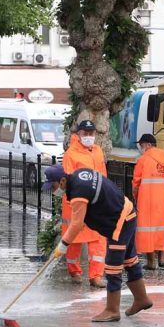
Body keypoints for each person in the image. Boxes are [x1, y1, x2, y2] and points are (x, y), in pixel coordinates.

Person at [44, 165, 153, 322]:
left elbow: (77, 224)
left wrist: (62, 246)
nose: (53, 191)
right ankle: (142, 299)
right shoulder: (79, 175)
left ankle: (112, 310)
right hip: (127, 214)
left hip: (120, 222)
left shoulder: (78, 192)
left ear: (62, 181)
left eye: (53, 186)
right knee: (129, 260)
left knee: (112, 266)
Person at [60, 120, 108, 288]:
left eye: (91, 134)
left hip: (96, 202)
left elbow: (103, 176)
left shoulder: (98, 151)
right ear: (78, 134)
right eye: (85, 134)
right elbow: (68, 180)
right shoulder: (71, 154)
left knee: (98, 240)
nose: (88, 137)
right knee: (74, 239)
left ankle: (96, 276)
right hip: (77, 202)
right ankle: (74, 271)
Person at [132, 134, 164, 269]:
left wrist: (135, 196)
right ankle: (163, 260)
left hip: (147, 200)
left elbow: (136, 182)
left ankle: (151, 263)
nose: (141, 148)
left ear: (148, 145)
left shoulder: (143, 160)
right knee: (163, 228)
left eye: (142, 145)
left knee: (148, 230)